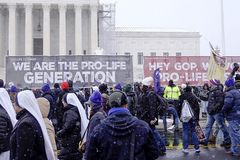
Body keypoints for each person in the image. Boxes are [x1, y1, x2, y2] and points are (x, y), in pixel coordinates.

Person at [85, 91, 160, 160]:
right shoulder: (143, 127)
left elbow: (89, 156)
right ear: (126, 105)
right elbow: (154, 153)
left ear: (109, 106)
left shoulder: (99, 129)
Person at [10, 90, 55, 160]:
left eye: (15, 103)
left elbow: (23, 155)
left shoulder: (26, 124)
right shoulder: (30, 119)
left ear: (21, 105)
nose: (13, 105)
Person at [200, 79, 231, 147]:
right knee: (208, 126)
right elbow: (209, 101)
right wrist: (209, 109)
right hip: (211, 112)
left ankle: (227, 140)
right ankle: (205, 140)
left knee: (222, 126)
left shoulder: (218, 92)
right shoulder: (212, 91)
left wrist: (213, 109)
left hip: (217, 113)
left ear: (214, 84)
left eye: (211, 83)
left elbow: (219, 102)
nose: (210, 84)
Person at [57, 93, 89, 160]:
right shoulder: (76, 110)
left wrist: (59, 133)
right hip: (74, 140)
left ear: (67, 101)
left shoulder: (70, 112)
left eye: (63, 101)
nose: (62, 102)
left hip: (70, 142)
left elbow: (68, 127)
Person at [179, 86, 200, 154]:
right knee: (193, 131)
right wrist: (197, 118)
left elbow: (178, 107)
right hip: (193, 116)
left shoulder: (181, 96)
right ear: (191, 90)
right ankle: (197, 148)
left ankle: (185, 148)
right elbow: (197, 108)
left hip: (185, 116)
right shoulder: (194, 97)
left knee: (185, 131)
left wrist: (180, 116)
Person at [222, 78, 240, 156]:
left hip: (233, 116)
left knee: (234, 134)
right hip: (237, 114)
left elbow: (227, 105)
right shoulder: (237, 92)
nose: (225, 86)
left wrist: (222, 110)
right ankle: (234, 150)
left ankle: (235, 151)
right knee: (234, 133)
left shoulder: (229, 93)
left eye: (225, 85)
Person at [0, 87, 17, 159]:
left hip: (3, 152)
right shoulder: (7, 110)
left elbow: (1, 136)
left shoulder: (1, 113)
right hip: (7, 149)